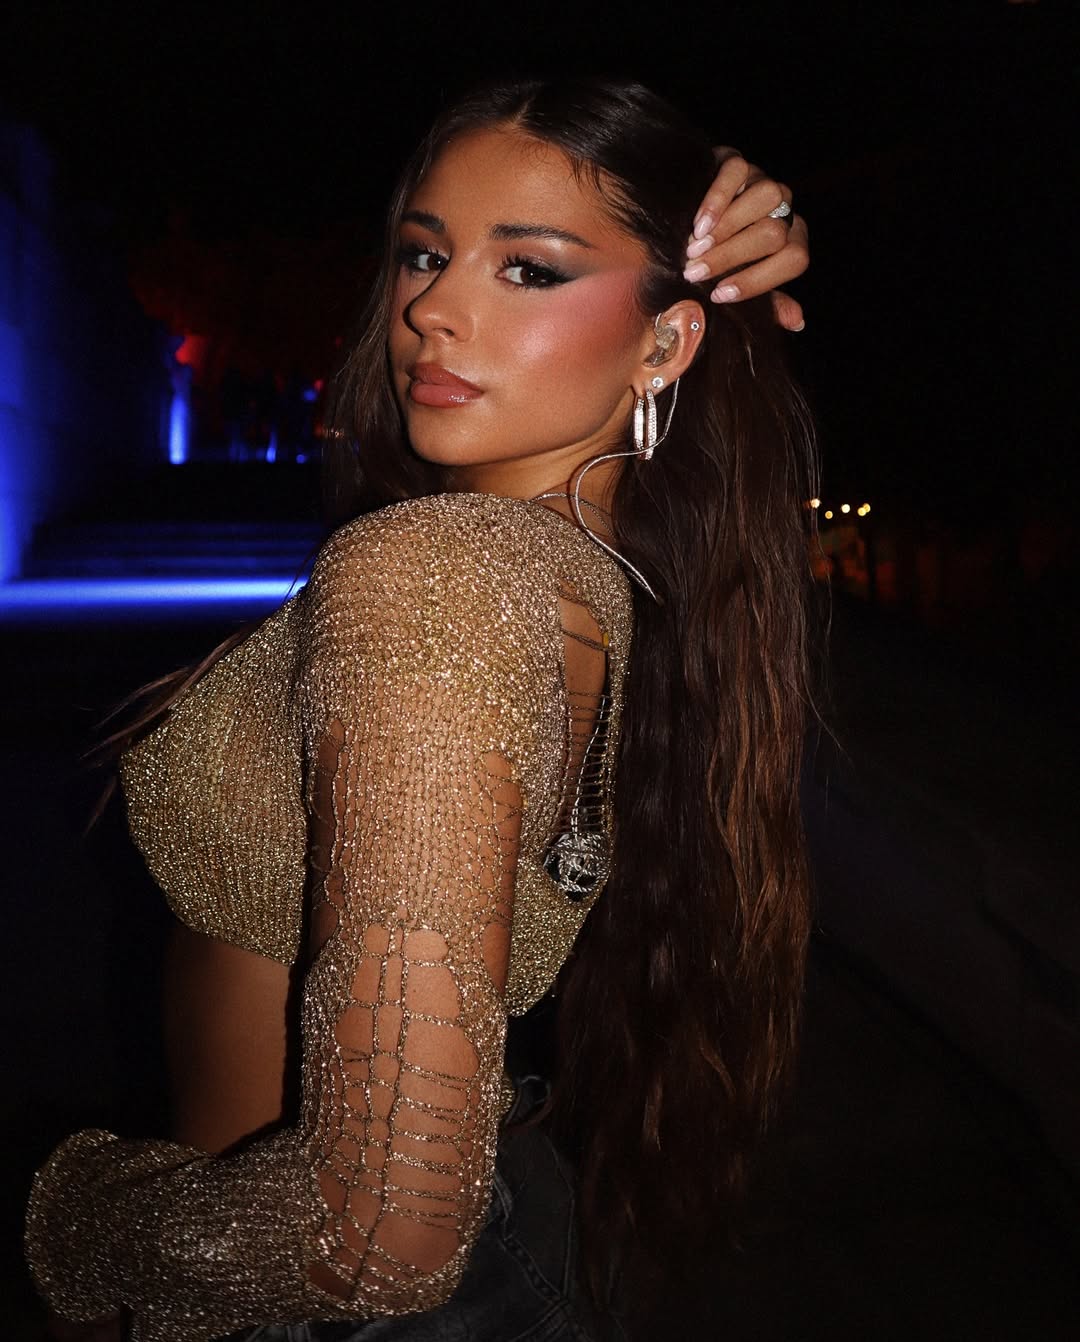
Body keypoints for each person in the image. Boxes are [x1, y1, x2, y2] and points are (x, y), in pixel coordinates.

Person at [26, 78, 815, 1342]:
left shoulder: (442, 579)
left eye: (530, 270)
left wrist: (88, 1229)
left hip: (290, 1291)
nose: (430, 310)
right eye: (424, 253)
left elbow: (376, 1232)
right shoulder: (582, 576)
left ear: (667, 343)